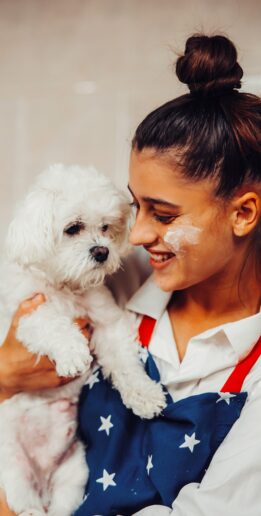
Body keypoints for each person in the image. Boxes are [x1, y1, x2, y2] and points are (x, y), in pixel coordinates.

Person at [0, 33, 260, 516]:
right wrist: (3, 376)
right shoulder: (118, 275)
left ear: (243, 214)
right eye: (134, 207)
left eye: (162, 215)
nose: (133, 235)